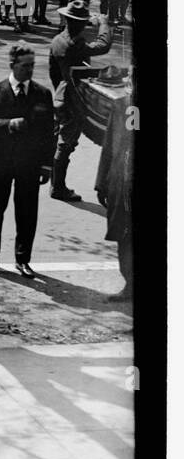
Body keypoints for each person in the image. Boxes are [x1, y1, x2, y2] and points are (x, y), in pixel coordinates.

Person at [0, 44, 55, 278]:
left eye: (32, 65)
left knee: (27, 214)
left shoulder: (42, 94)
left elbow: (49, 132)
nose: (30, 70)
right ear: (12, 65)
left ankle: (23, 260)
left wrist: (47, 164)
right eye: (25, 66)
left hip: (29, 164)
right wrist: (7, 124)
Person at [48, 1, 114, 201]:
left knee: (62, 140)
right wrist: (103, 23)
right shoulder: (74, 44)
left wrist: (60, 89)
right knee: (66, 144)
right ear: (82, 23)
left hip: (62, 94)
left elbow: (53, 73)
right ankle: (57, 188)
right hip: (72, 99)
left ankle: (55, 184)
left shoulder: (58, 39)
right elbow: (103, 45)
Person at [95, 71, 134, 302]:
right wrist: (102, 182)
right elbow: (109, 144)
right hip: (121, 183)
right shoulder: (123, 106)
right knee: (123, 236)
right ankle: (130, 285)